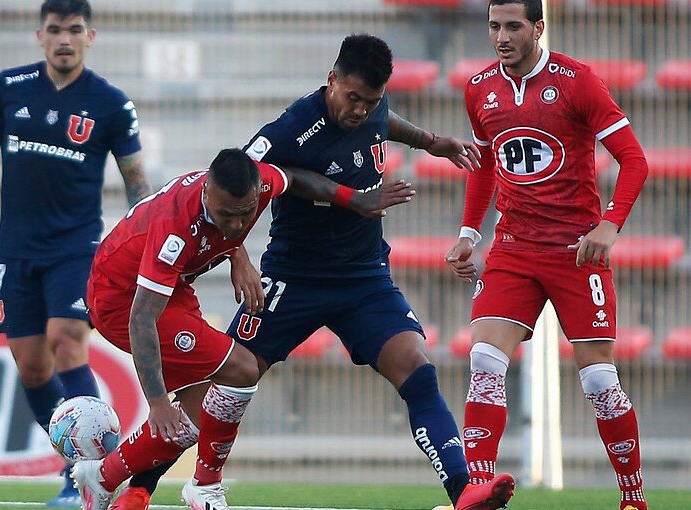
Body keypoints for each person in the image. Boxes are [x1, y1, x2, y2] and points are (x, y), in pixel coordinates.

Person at [114, 34, 515, 510]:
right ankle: (141, 486)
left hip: (364, 278)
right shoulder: (292, 126)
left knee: (418, 370)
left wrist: (432, 142)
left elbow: (385, 123)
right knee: (222, 381)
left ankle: (463, 491)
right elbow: (235, 175)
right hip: (292, 278)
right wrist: (237, 250)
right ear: (332, 79)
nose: (361, 111)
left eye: (371, 101)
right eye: (353, 98)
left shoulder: (372, 110)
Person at [71, 148, 415, 510]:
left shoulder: (260, 183)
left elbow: (295, 178)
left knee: (201, 406)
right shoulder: (175, 227)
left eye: (245, 214)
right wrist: (156, 403)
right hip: (122, 299)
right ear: (206, 194)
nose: (236, 224)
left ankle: (103, 476)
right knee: (242, 369)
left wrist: (353, 199)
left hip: (172, 288)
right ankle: (204, 485)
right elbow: (141, 318)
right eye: (226, 215)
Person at [0, 0, 152, 506]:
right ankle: (75, 466)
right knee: (32, 368)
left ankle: (99, 469)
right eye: (55, 29)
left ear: (90, 36)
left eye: (74, 30)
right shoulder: (9, 88)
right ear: (40, 35)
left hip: (76, 248)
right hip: (15, 251)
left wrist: (145, 242)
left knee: (66, 341)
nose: (65, 38)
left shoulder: (111, 103)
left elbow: (136, 179)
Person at [443, 2, 649, 510]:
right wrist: (470, 231)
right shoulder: (479, 89)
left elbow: (635, 161)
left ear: (538, 27)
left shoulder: (578, 82)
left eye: (513, 27)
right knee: (484, 359)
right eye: (494, 26)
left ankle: (632, 496)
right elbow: (486, 162)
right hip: (514, 248)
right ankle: (478, 490)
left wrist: (609, 224)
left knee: (600, 379)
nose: (502, 37)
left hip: (577, 251)